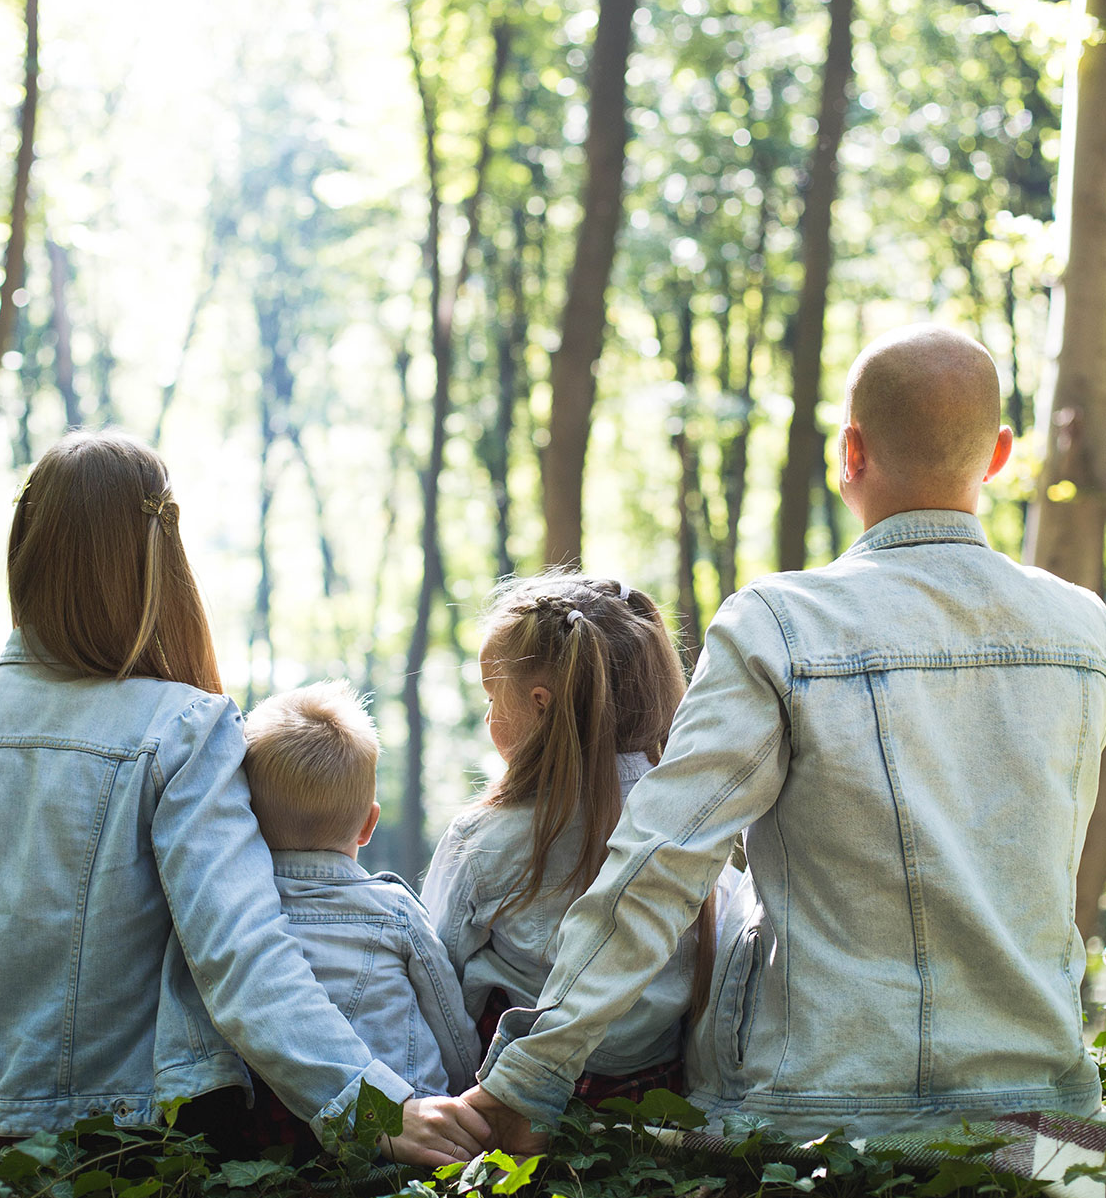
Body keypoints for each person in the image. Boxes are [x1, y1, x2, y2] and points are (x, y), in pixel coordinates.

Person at [464, 324, 1106, 1150]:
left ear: (850, 452)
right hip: (1043, 1115)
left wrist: (530, 1077)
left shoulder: (779, 624)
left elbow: (661, 861)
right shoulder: (1085, 629)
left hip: (812, 1111)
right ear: (999, 456)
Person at [0, 430, 489, 1165]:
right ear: (158, 560)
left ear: (25, 547)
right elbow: (242, 955)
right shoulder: (183, 727)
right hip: (146, 1141)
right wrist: (374, 1109)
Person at [422, 573, 743, 1103]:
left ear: (541, 704)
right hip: (654, 1101)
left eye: (492, 697)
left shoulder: (482, 838)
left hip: (507, 1100)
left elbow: (438, 980)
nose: (487, 717)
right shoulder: (696, 832)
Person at [242, 680, 479, 1098]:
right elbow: (450, 1027)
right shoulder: (395, 912)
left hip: (280, 1125)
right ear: (369, 825)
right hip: (407, 1117)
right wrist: (464, 1090)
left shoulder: (236, 912)